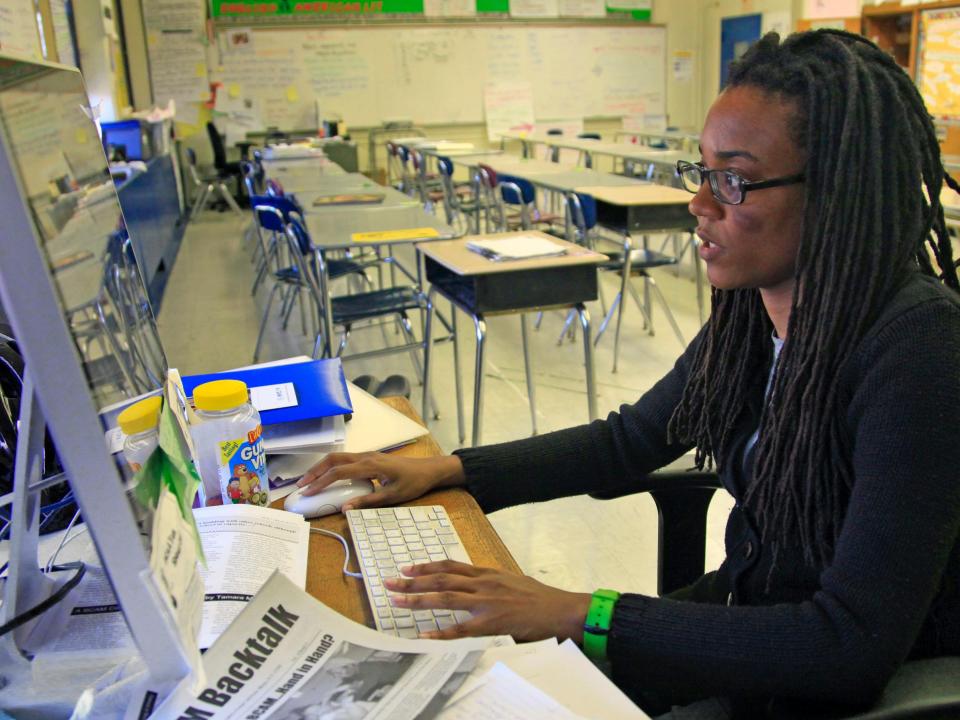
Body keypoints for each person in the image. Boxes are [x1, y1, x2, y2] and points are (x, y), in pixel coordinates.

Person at [297, 30, 960, 719]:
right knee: (479, 680)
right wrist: (452, 470)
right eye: (699, 172)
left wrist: (581, 613)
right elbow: (629, 440)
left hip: (822, 683)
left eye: (732, 179)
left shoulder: (919, 350)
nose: (699, 206)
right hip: (742, 619)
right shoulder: (755, 316)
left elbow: (848, 643)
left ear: (837, 190)